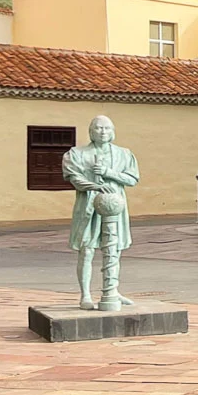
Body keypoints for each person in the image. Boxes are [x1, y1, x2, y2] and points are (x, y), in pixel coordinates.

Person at [62, 115, 140, 310]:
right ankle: (85, 295)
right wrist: (95, 186)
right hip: (88, 205)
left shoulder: (124, 154)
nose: (102, 131)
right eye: (98, 128)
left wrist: (108, 172)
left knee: (114, 249)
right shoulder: (76, 154)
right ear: (91, 131)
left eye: (106, 128)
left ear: (113, 131)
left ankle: (112, 289)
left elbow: (132, 179)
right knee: (86, 250)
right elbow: (74, 179)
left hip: (115, 205)